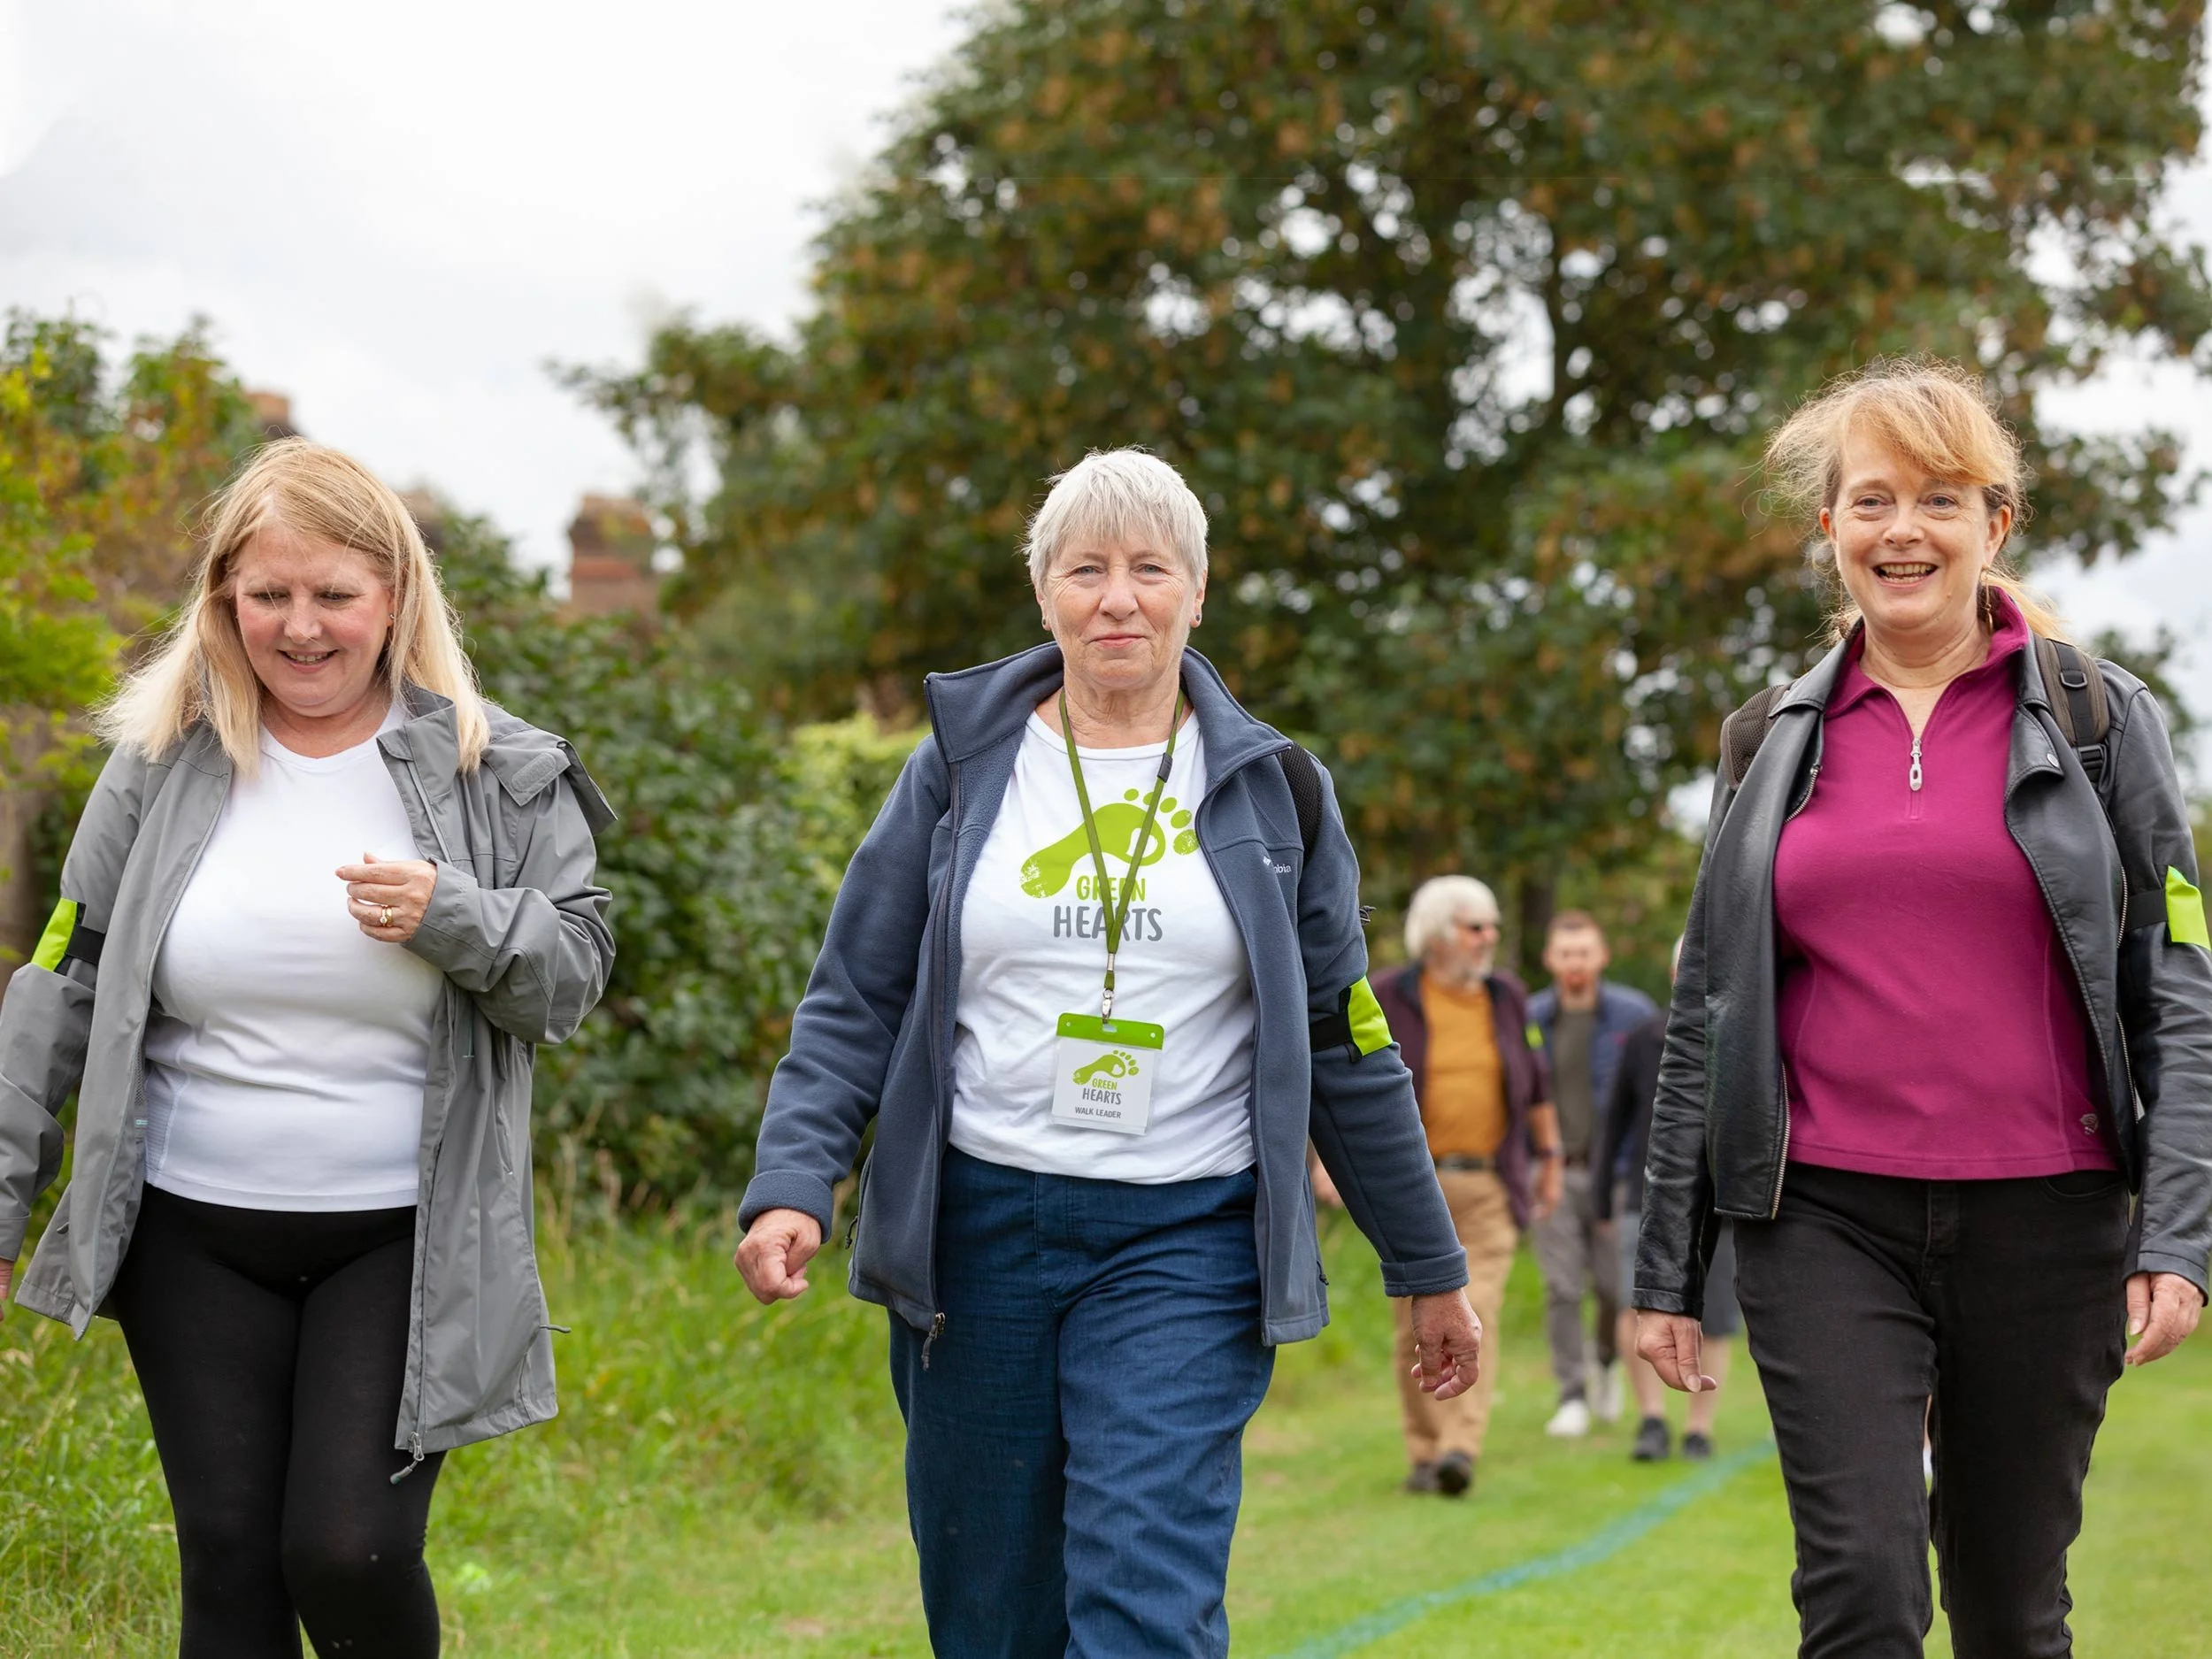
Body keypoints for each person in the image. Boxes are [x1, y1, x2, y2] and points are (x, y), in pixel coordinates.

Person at [732, 449, 1479, 1655]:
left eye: (1148, 568)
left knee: (1144, 1596)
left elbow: (1349, 1040)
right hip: (976, 1238)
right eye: (1086, 569)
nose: (1117, 597)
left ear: (1196, 589)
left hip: (1185, 1239)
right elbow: (854, 994)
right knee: (994, 1615)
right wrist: (793, 1181)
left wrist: (1426, 1261)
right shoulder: (961, 769)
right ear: (1045, 595)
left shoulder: (1276, 788)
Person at [0, 439, 616, 1658]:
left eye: (334, 593)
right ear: (223, 595)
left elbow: (572, 973)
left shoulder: (499, 769)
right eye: (268, 593)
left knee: (347, 1548)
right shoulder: (156, 763)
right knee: (227, 1565)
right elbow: (61, 975)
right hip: (189, 1227)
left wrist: (453, 912)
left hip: (402, 1235)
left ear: (394, 597)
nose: (300, 626)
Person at [1634, 358, 2210, 1656]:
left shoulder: (2101, 720)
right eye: (1874, 501)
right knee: (1862, 1591)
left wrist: (2177, 1232)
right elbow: (1707, 1006)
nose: (1906, 531)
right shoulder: (1764, 740)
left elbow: (2177, 987)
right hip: (1822, 1213)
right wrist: (1667, 1269)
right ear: (1829, 527)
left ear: (1994, 524)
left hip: (2050, 1218)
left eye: (1941, 500)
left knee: (2010, 1607)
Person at [1352, 875, 1562, 1496]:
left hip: (1489, 1184)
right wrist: (1322, 1161)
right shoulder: (1389, 992)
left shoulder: (1507, 997)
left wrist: (1549, 1155)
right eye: (1476, 926)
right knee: (1410, 1322)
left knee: (1481, 1314)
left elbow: (1538, 1083)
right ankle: (1422, 1449)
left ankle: (1458, 1448)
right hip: (1409, 1186)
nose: (1488, 937)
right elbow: (1349, 1077)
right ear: (1439, 933)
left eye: (1492, 924)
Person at [1594, 939, 1732, 1462]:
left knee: (1714, 1312)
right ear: (1677, 973)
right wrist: (1602, 1205)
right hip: (1642, 1197)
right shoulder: (1645, 1039)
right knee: (1640, 1305)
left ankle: (1699, 1424)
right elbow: (1616, 1124)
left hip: (1723, 1203)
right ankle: (1650, 1419)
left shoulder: (1745, 1038)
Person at [1526, 911, 1654, 1436]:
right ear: (1550, 960)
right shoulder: (1530, 1018)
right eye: (1565, 953)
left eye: (1584, 953)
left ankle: (1606, 1364)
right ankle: (1572, 1394)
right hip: (1551, 1171)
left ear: (1601, 956)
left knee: (1612, 1287)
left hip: (1618, 1175)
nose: (1575, 963)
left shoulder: (1633, 1017)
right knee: (1561, 1286)